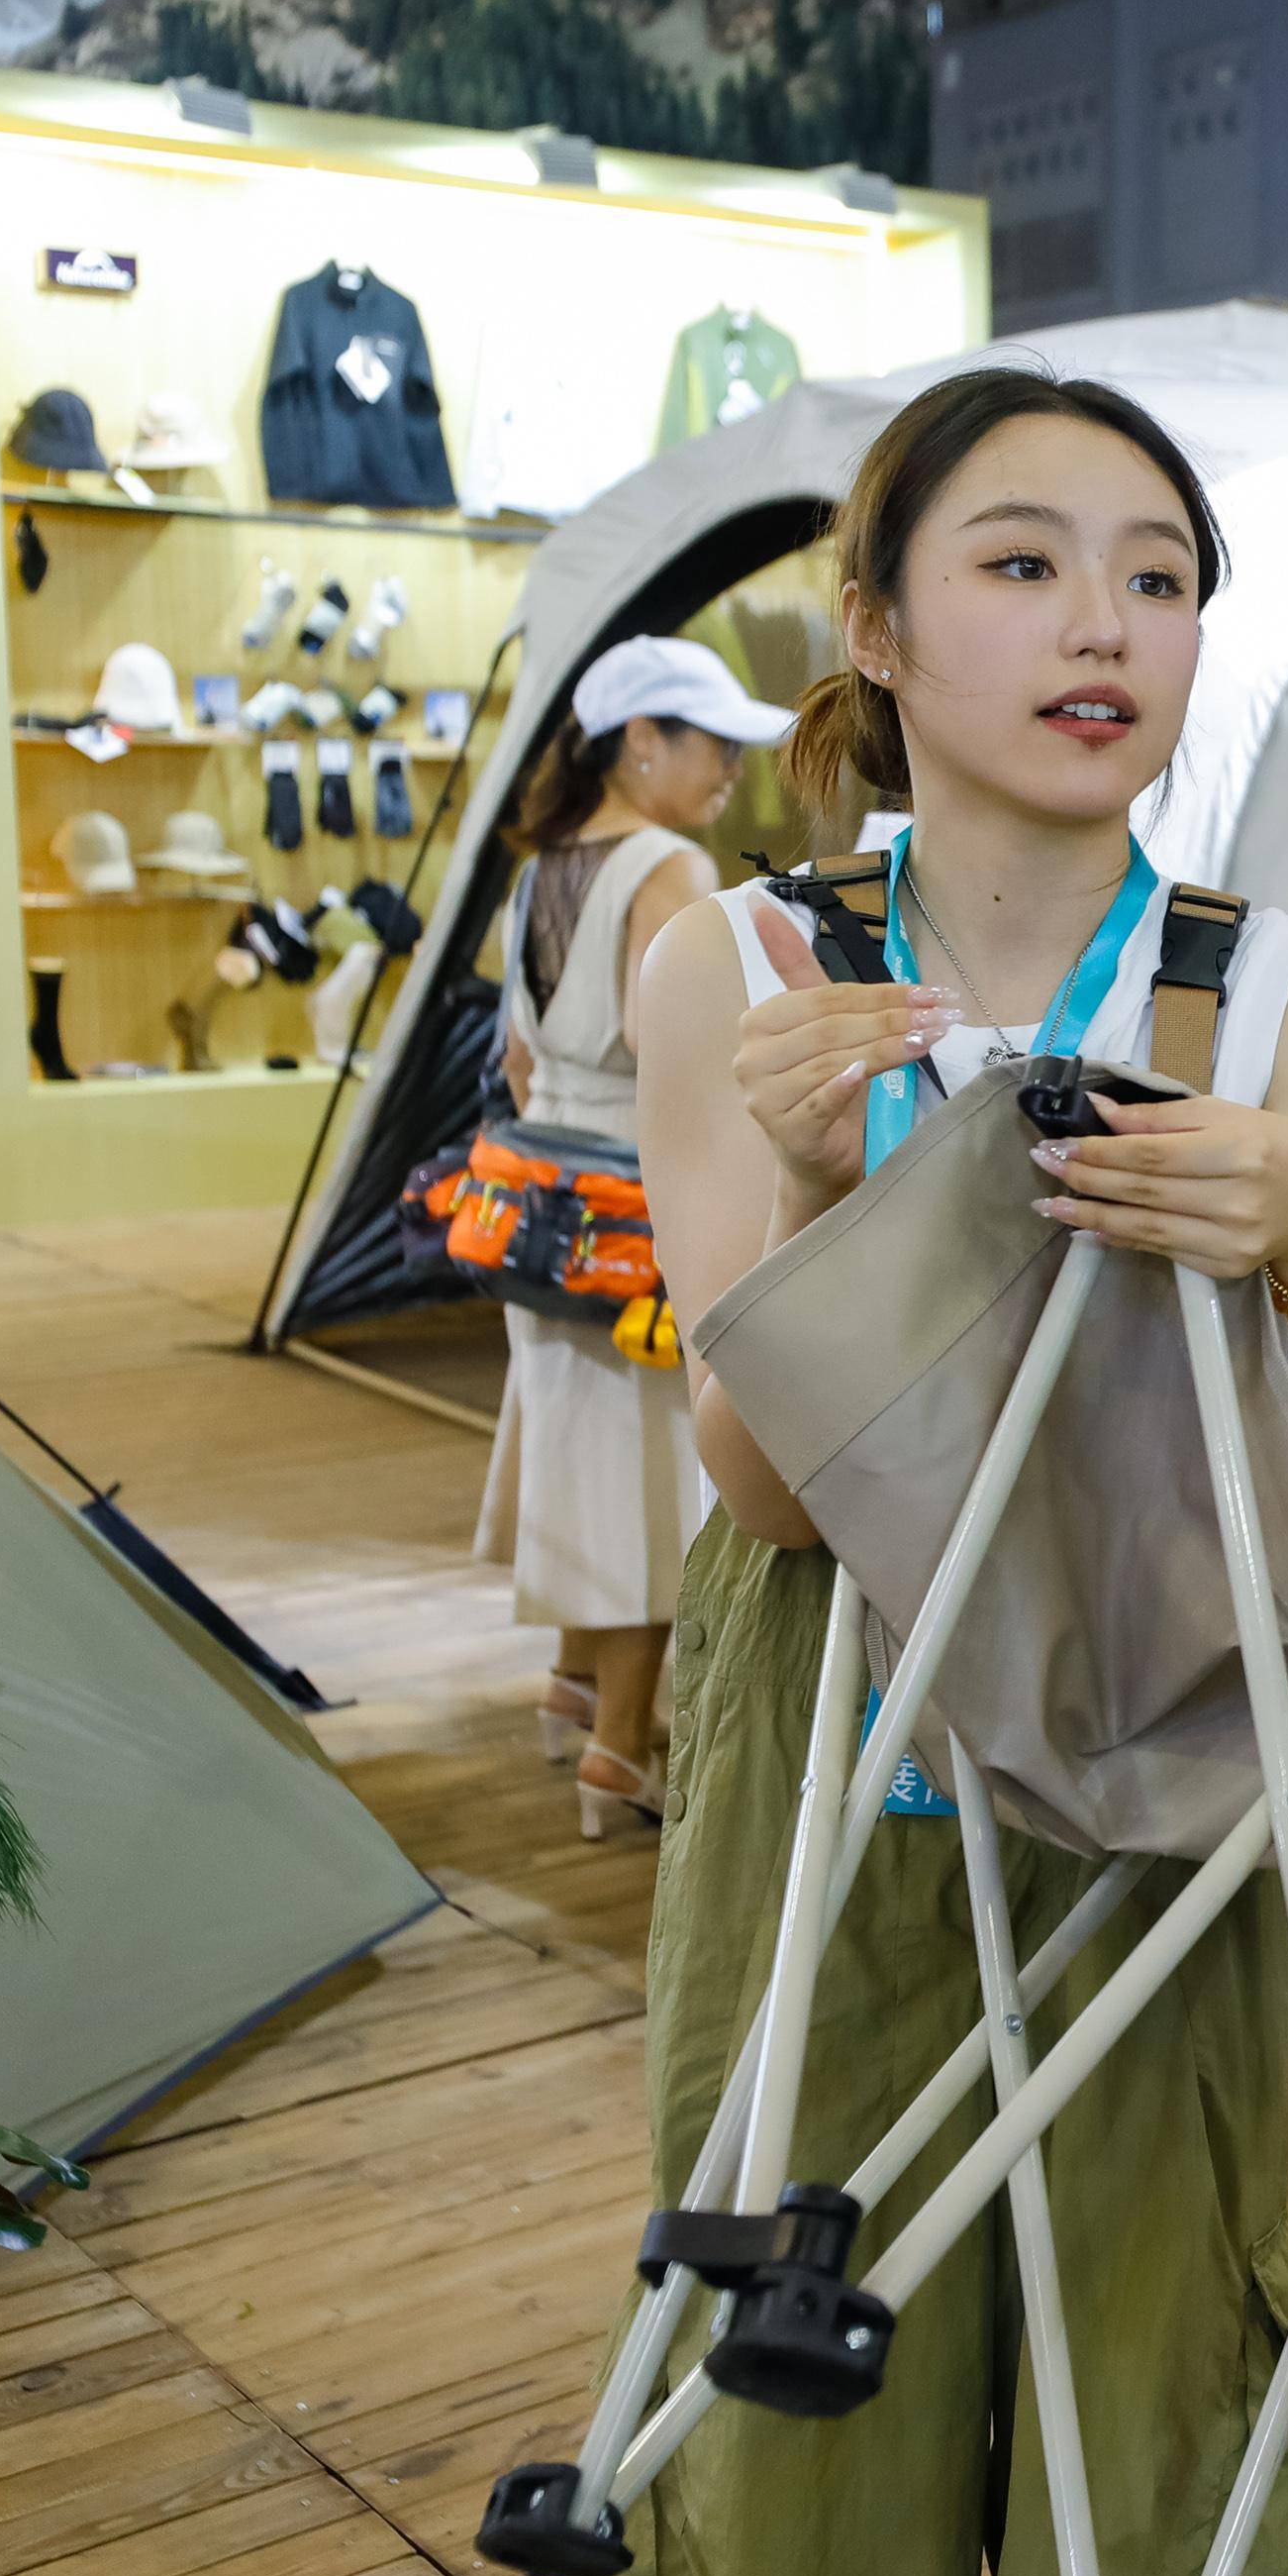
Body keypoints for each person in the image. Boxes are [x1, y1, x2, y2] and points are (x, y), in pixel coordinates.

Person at [616, 368, 1288, 2576]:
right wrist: (793, 1166)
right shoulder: (743, 965)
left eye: (1155, 573)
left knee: (1152, 2491)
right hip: (832, 1792)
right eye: (1018, 561)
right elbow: (760, 1487)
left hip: (1166, 1792)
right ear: (873, 623)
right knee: (789, 2518)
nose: (1101, 620)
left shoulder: (1278, 992)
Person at [474, 635, 787, 1836]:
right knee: (661, 1479)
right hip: (633, 1215)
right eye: (711, 746)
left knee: (578, 1452)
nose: (728, 774)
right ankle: (620, 1744)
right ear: (641, 741)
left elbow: (516, 1053)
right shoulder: (668, 868)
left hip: (540, 1205)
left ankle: (572, 1684)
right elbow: (692, 1060)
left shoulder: (540, 868)